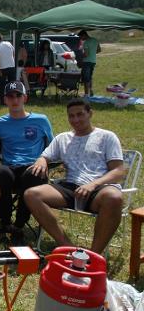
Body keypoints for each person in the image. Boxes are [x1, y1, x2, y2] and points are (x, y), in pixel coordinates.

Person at [24, 98, 124, 254]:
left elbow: (119, 171)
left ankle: (93, 255)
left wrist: (93, 184)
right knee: (32, 194)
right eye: (71, 116)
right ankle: (67, 247)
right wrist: (42, 160)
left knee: (114, 197)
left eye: (80, 114)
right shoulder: (63, 138)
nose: (75, 119)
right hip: (70, 187)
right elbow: (45, 156)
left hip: (99, 189)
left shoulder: (107, 137)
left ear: (90, 114)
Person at [0, 81, 54, 243]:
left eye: (18, 95)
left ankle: (19, 224)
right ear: (5, 100)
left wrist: (44, 160)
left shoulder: (41, 120)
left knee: (33, 174)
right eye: (10, 96)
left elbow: (53, 148)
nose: (14, 99)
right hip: (9, 167)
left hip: (32, 166)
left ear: (25, 98)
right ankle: (5, 222)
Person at [0, 33, 16, 105]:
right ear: (1, 38)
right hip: (11, 67)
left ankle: (3, 102)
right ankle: (13, 100)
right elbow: (13, 53)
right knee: (12, 85)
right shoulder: (8, 43)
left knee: (2, 86)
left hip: (2, 68)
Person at [78, 30, 101, 97]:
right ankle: (90, 91)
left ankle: (86, 94)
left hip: (86, 62)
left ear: (84, 35)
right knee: (90, 77)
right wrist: (93, 53)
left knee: (86, 79)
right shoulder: (95, 40)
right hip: (93, 61)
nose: (81, 39)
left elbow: (86, 54)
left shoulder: (86, 43)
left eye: (81, 37)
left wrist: (80, 55)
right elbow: (99, 50)